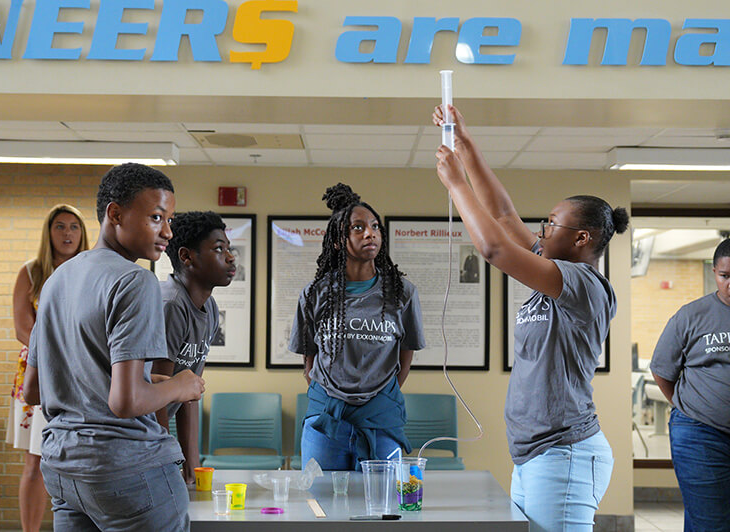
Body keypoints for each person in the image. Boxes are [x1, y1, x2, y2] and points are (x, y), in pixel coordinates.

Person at [433, 105, 627, 532]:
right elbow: (503, 218)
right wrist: (466, 146)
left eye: (550, 225)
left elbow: (495, 249)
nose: (540, 231)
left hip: (566, 454)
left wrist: (455, 183)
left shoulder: (582, 284)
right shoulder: (556, 270)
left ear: (581, 238)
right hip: (536, 455)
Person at [23, 163, 205, 532]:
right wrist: (179, 385)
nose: (167, 231)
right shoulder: (135, 281)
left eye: (169, 219)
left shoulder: (59, 278)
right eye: (156, 217)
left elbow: (34, 389)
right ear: (115, 214)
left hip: (64, 470)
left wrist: (142, 379)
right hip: (127, 472)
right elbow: (125, 403)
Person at [289, 183, 426, 471]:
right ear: (338, 240)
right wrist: (328, 392)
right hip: (326, 415)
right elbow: (309, 356)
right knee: (320, 505)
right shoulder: (315, 293)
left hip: (381, 415)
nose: (370, 233)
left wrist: (381, 396)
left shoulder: (403, 293)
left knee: (383, 506)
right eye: (358, 227)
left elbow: (406, 352)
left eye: (375, 226)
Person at [8, 204, 88, 532]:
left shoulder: (90, 269)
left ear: (83, 234)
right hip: (39, 373)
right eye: (60, 226)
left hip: (84, 373)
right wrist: (57, 353)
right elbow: (22, 327)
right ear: (49, 231)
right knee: (36, 461)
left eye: (74, 227)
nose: (67, 233)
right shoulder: (32, 271)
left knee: (78, 460)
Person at [650, 239, 730, 532]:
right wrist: (689, 406)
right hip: (700, 431)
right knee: (710, 521)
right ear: (714, 273)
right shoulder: (691, 315)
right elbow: (662, 371)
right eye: (725, 276)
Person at [153, 211, 235, 484]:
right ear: (187, 257)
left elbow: (190, 393)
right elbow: (158, 391)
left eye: (229, 248)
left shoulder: (209, 308)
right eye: (219, 249)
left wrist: (192, 468)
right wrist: (167, 461)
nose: (231, 257)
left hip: (157, 434)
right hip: (138, 438)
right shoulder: (171, 306)